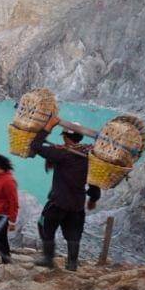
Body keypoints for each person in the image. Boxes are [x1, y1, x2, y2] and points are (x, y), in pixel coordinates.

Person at [29, 115, 101, 271]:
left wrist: (48, 127)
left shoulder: (62, 154)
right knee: (73, 234)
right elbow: (94, 180)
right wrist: (93, 198)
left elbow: (35, 145)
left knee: (44, 226)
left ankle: (48, 259)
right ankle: (72, 264)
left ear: (67, 137)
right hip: (77, 204)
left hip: (58, 202)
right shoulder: (89, 156)